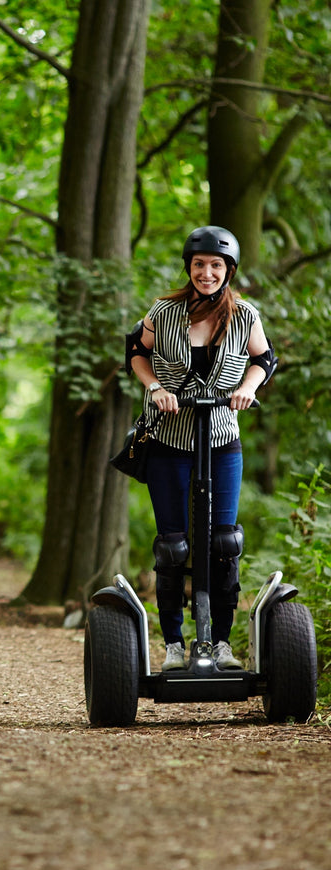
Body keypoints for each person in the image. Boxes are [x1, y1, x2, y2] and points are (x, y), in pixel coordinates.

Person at [127, 226, 277, 672]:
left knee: (224, 543)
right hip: (170, 439)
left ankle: (223, 642)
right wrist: (155, 386)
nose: (207, 273)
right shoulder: (165, 311)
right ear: (189, 268)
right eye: (199, 265)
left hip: (221, 439)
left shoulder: (245, 315)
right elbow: (135, 351)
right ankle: (173, 643)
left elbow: (264, 359)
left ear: (228, 270)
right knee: (173, 545)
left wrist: (249, 387)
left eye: (216, 265)